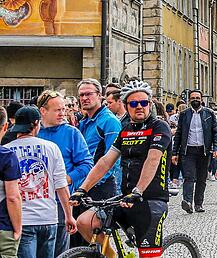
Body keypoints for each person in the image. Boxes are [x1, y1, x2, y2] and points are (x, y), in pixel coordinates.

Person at [71, 80, 172, 258]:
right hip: (126, 198)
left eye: (143, 103)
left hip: (151, 199)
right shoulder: (125, 130)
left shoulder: (159, 126)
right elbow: (105, 161)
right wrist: (82, 189)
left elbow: (153, 159)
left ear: (150, 104)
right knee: (85, 222)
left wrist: (138, 191)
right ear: (126, 106)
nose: (139, 107)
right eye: (133, 103)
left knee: (147, 255)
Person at [7, 106, 77, 258]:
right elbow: (61, 185)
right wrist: (69, 215)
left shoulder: (6, 151)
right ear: (37, 123)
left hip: (22, 219)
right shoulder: (52, 148)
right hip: (48, 217)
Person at [35, 91, 93, 256]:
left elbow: (86, 163)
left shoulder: (72, 133)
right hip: (34, 201)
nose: (63, 113)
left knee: (60, 251)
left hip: (61, 201)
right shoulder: (34, 131)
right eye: (57, 110)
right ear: (43, 111)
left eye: (64, 108)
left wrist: (66, 179)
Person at [172, 89, 217, 214]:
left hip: (204, 151)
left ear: (201, 99)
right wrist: (174, 152)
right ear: (189, 100)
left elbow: (216, 132)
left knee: (201, 178)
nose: (195, 100)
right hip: (188, 151)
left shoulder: (209, 114)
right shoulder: (184, 114)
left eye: (197, 98)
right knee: (189, 177)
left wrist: (216, 148)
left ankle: (198, 203)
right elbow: (179, 134)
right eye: (193, 98)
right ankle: (187, 202)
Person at [77, 79, 122, 200]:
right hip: (83, 184)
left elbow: (114, 160)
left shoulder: (109, 121)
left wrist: (91, 183)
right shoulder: (84, 122)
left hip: (100, 185)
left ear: (99, 95)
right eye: (81, 95)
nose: (84, 98)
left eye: (89, 94)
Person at [0, 106, 22, 258]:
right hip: (3, 225)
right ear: (6, 126)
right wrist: (18, 228)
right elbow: (12, 197)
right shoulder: (6, 156)